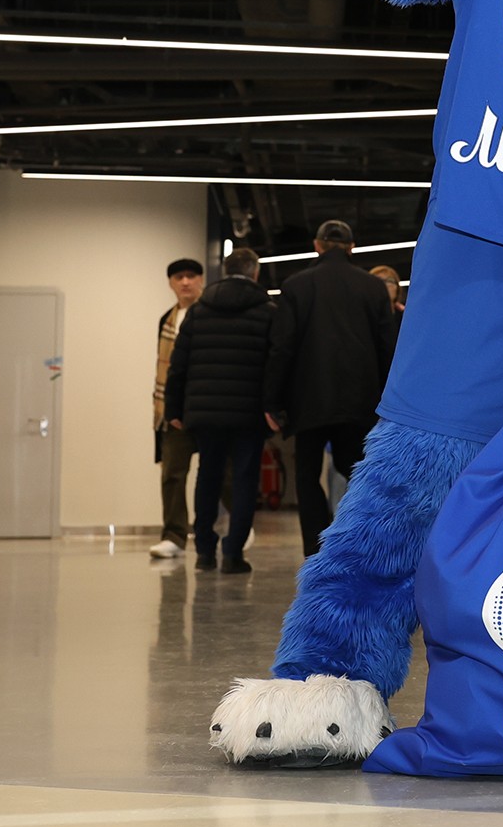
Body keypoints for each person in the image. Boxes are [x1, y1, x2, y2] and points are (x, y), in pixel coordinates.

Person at [264, 219, 396, 556]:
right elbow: (387, 349)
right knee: (357, 471)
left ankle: (316, 547)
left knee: (308, 475)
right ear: (352, 247)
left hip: (308, 400)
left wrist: (272, 400)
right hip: (361, 400)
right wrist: (390, 402)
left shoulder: (295, 285)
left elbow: (282, 348)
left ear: (317, 245)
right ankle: (356, 542)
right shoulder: (373, 288)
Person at [164, 248, 275, 574]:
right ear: (255, 273)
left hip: (205, 412)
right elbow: (277, 364)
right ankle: (233, 554)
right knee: (243, 480)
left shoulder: (199, 311)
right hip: (249, 413)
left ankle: (204, 552)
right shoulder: (268, 311)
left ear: (224, 272)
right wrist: (276, 409)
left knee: (208, 477)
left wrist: (173, 408)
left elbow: (178, 365)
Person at [150, 257, 205, 560]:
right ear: (171, 283)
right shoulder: (166, 320)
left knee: (221, 474)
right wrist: (166, 407)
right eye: (179, 277)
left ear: (201, 280)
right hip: (173, 410)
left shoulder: (210, 314)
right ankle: (173, 535)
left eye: (191, 276)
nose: (185, 282)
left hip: (205, 407)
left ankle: (234, 528)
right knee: (172, 473)